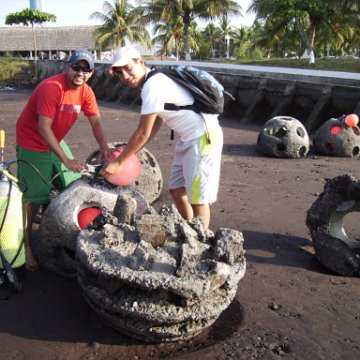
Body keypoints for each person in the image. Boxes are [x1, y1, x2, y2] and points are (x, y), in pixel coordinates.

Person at [102, 46, 223, 230]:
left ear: (140, 62)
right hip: (187, 139)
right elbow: (156, 121)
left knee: (199, 200)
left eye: (128, 68)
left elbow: (142, 132)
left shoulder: (153, 85)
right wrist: (133, 150)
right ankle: (190, 229)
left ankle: (200, 241)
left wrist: (119, 162)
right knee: (176, 189)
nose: (125, 75)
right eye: (119, 73)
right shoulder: (152, 82)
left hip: (202, 137)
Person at [16, 49, 111, 271]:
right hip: (32, 141)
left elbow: (96, 122)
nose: (80, 72)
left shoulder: (86, 92)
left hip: (55, 140)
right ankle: (27, 247)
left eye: (85, 69)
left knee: (72, 184)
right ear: (67, 67)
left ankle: (60, 226)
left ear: (91, 73)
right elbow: (42, 128)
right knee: (32, 197)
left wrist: (105, 149)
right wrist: (67, 159)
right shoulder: (52, 87)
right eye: (76, 67)